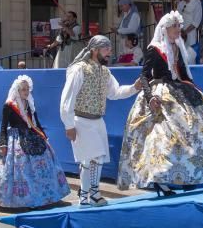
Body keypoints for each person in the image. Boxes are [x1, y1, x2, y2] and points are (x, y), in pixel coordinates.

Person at [117, 11, 203, 196]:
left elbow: (183, 73)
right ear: (165, 29)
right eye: (175, 27)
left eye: (179, 26)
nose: (179, 30)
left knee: (195, 127)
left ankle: (188, 176)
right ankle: (159, 180)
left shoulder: (179, 47)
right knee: (162, 138)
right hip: (161, 93)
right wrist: (150, 98)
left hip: (178, 89)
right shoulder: (155, 49)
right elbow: (144, 76)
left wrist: (195, 91)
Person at [59, 35, 141, 206]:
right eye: (106, 49)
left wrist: (134, 88)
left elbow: (115, 92)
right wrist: (69, 125)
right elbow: (68, 98)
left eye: (110, 49)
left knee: (96, 158)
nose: (109, 53)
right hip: (81, 120)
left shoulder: (105, 72)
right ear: (94, 50)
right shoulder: (79, 69)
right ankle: (91, 195)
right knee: (90, 158)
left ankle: (86, 195)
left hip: (98, 121)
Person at [0, 75, 70, 209]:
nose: (26, 92)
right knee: (19, 171)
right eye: (23, 89)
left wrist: (44, 137)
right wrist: (3, 143)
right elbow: (3, 126)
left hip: (30, 135)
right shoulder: (9, 105)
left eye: (28, 89)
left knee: (41, 166)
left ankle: (43, 197)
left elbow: (36, 123)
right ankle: (20, 200)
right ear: (17, 90)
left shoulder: (29, 104)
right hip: (15, 139)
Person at [176, 0, 203, 64]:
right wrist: (180, 30)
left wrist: (186, 32)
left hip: (191, 33)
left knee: (191, 53)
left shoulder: (197, 3)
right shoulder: (181, 4)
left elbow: (196, 21)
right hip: (181, 33)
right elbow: (177, 17)